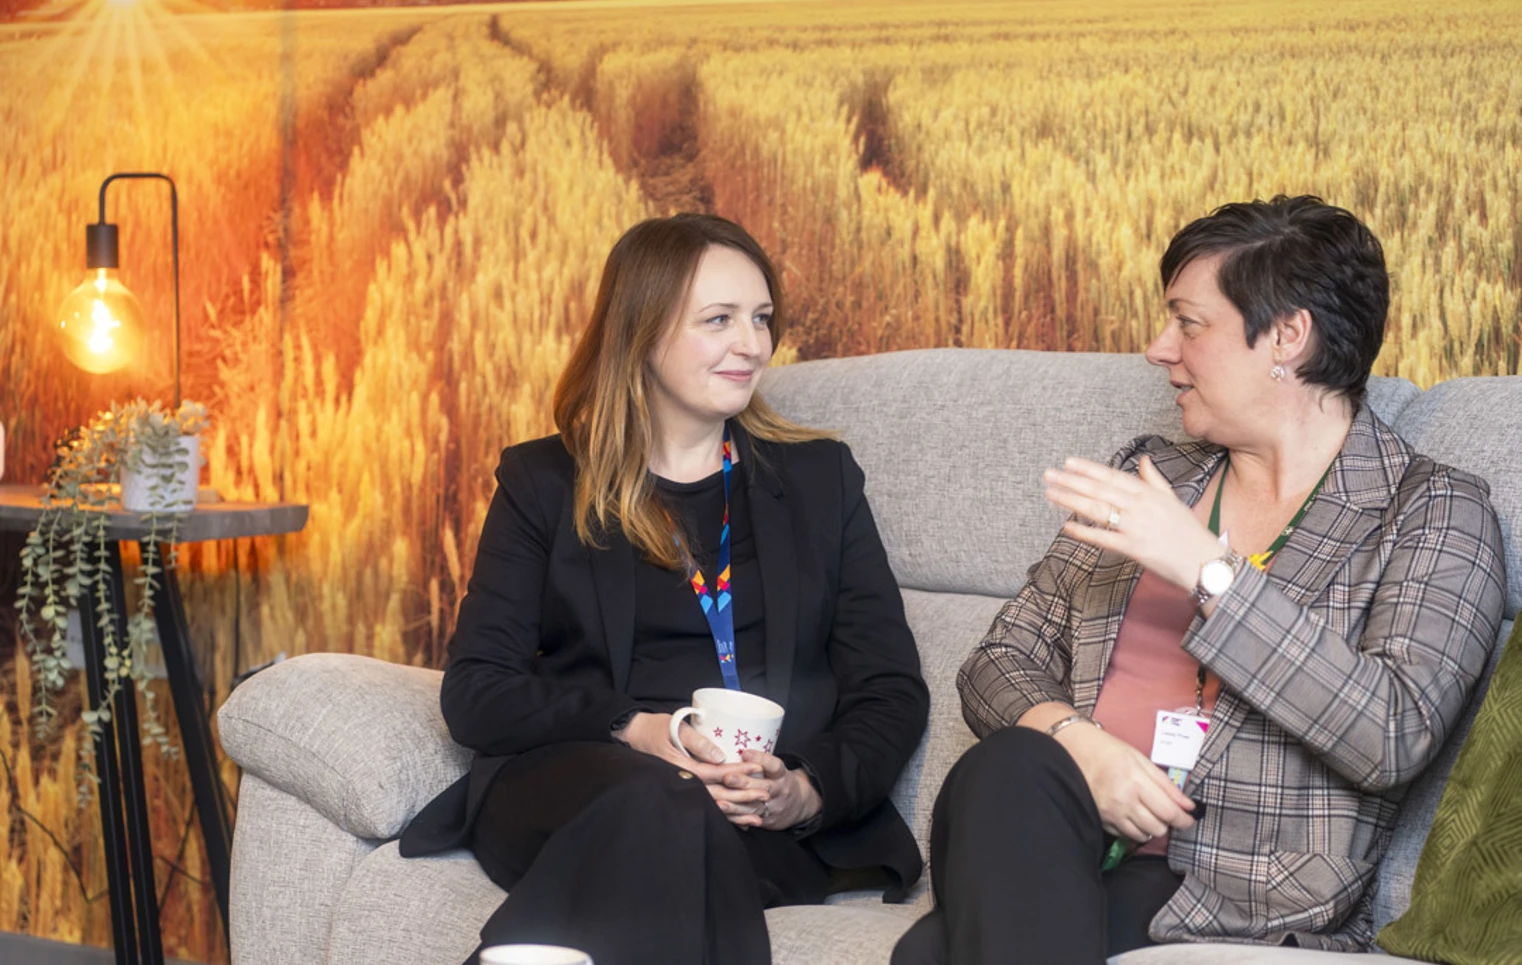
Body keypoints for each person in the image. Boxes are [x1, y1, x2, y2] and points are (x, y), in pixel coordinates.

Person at [892, 195, 1507, 964]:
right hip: (1052, 830)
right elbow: (996, 663)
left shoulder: (1433, 510)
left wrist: (1207, 571)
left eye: (1188, 322)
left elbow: (1392, 731)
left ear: (1287, 335)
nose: (1157, 348)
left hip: (1235, 892)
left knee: (929, 955)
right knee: (1011, 762)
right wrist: (1081, 746)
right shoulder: (1153, 474)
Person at [400, 213, 929, 965]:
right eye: (719, 320)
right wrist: (637, 728)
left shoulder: (820, 481)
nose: (753, 344)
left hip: (752, 819)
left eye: (761, 318)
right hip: (574, 783)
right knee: (663, 799)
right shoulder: (543, 483)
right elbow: (477, 692)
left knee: (687, 826)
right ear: (641, 332)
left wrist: (804, 790)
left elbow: (891, 688)